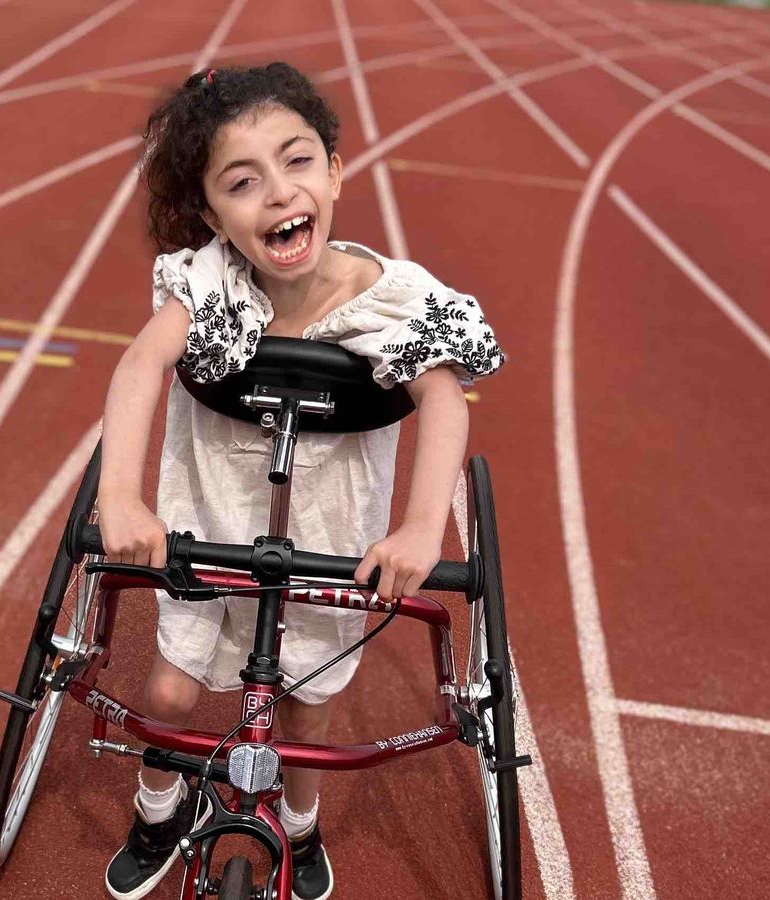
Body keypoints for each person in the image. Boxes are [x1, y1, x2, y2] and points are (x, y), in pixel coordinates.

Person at [97, 62, 504, 900]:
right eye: (242, 182)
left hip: (330, 537)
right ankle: (158, 803)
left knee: (307, 706)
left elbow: (443, 399)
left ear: (336, 173)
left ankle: (301, 820)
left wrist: (421, 528)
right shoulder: (210, 285)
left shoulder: (395, 303)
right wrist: (121, 497)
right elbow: (140, 364)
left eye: (297, 162)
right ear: (213, 215)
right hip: (208, 523)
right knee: (169, 688)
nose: (279, 193)